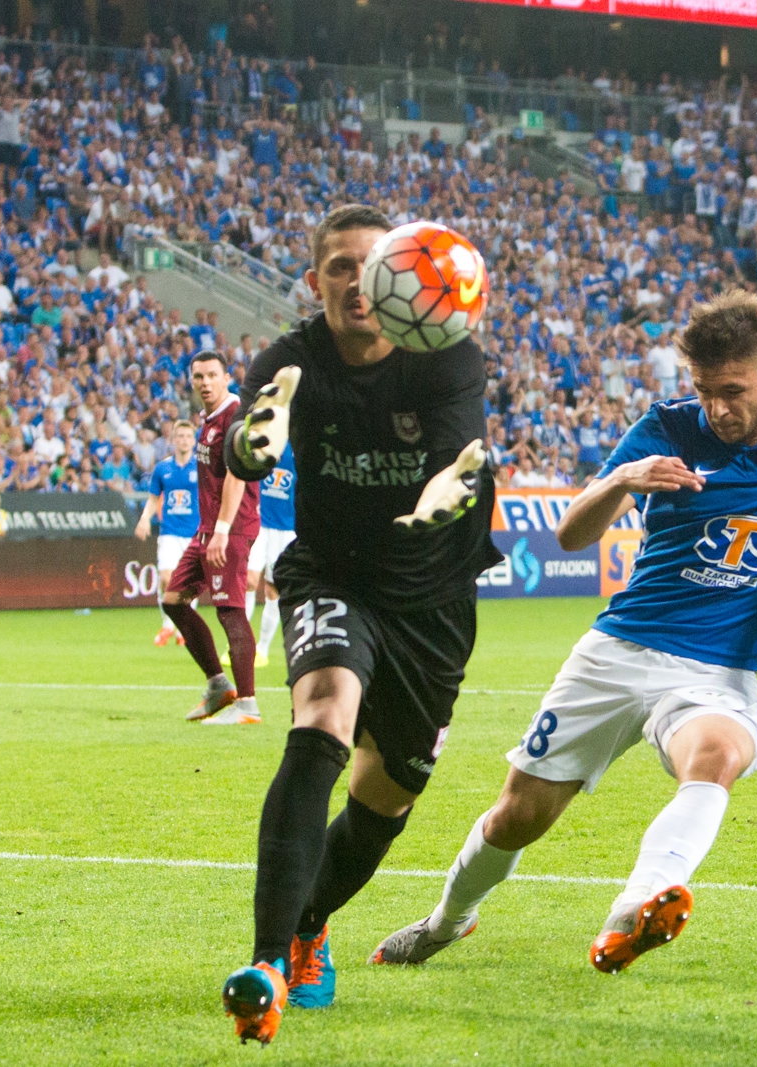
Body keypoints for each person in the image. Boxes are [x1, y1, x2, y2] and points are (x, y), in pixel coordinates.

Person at [371, 291, 757, 975]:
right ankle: (446, 921)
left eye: (733, 391)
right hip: (621, 649)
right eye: (704, 391)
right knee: (519, 815)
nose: (718, 407)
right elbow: (572, 532)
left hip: (720, 668)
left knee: (716, 755)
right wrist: (625, 476)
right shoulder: (666, 426)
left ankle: (636, 907)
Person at [215, 204, 499, 1046]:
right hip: (333, 577)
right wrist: (246, 445)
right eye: (337, 266)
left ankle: (310, 923)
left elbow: (461, 460)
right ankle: (268, 961)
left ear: (397, 273)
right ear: (318, 283)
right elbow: (251, 428)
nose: (354, 279)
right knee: (323, 715)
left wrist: (443, 497)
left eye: (369, 264)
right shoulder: (294, 357)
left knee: (386, 797)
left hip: (435, 600)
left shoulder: (445, 353)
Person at [161, 354, 262, 725]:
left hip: (230, 528)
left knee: (230, 609)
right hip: (207, 528)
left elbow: (237, 475)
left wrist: (221, 531)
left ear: (226, 378)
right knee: (173, 600)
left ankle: (248, 704)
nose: (205, 382)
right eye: (198, 376)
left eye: (212, 375)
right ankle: (219, 686)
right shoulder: (208, 420)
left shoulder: (235, 417)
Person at [135, 420, 200, 646]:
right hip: (170, 531)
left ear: (193, 440)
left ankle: (185, 628)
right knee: (165, 579)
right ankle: (167, 626)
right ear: (173, 440)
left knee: (190, 585)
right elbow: (153, 499)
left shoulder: (201, 467)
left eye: (187, 436)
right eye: (179, 436)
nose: (183, 440)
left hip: (194, 533)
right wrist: (145, 519)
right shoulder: (163, 468)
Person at [243, 441, 297, 667]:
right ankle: (239, 643)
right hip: (260, 523)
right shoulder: (266, 444)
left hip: (286, 529)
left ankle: (261, 649)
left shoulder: (301, 448)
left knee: (273, 589)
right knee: (248, 580)